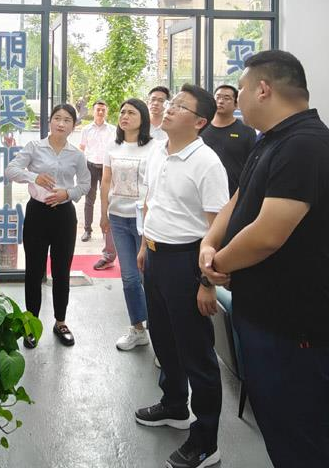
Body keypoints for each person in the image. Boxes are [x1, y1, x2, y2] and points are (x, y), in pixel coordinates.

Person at [199, 50, 329, 468]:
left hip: (293, 327)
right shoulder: (272, 140)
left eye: (242, 90)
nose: (238, 100)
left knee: (300, 442)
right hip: (263, 318)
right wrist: (210, 241)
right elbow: (240, 198)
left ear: (263, 89)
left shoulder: (305, 144)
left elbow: (268, 234)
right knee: (280, 432)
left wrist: (217, 265)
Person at [134, 84, 229, 468]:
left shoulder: (207, 163)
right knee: (163, 339)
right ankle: (174, 404)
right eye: (171, 103)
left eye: (179, 106)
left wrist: (207, 283)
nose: (169, 109)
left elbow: (217, 228)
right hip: (156, 257)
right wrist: (146, 245)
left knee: (197, 353)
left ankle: (206, 442)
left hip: (187, 262)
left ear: (200, 121)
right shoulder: (159, 151)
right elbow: (154, 203)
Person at [5, 104, 91, 348]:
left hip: (64, 215)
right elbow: (11, 170)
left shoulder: (77, 155)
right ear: (50, 121)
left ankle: (60, 322)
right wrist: (34, 177)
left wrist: (67, 193)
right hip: (37, 214)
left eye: (67, 120)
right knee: (34, 270)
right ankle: (31, 324)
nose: (61, 123)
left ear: (73, 125)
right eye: (57, 118)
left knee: (62, 270)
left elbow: (85, 184)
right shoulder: (34, 147)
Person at [99, 98, 155, 351]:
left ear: (143, 118)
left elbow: (156, 185)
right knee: (129, 277)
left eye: (131, 112)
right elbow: (106, 182)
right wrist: (104, 214)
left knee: (149, 277)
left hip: (145, 220)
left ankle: (160, 335)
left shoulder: (155, 147)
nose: (125, 116)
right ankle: (138, 329)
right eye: (122, 112)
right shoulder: (113, 146)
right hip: (118, 218)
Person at [79, 100, 117, 270]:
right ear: (93, 112)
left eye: (103, 110)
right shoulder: (86, 130)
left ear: (106, 112)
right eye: (98, 110)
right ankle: (87, 230)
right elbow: (81, 148)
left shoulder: (112, 130)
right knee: (89, 199)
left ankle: (105, 231)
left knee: (106, 199)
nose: (100, 112)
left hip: (107, 168)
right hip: (90, 166)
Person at [201, 85, 256, 195]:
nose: (220, 101)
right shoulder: (200, 128)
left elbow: (252, 167)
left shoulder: (246, 131)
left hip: (234, 193)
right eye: (218, 97)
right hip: (203, 190)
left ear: (236, 105)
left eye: (227, 98)